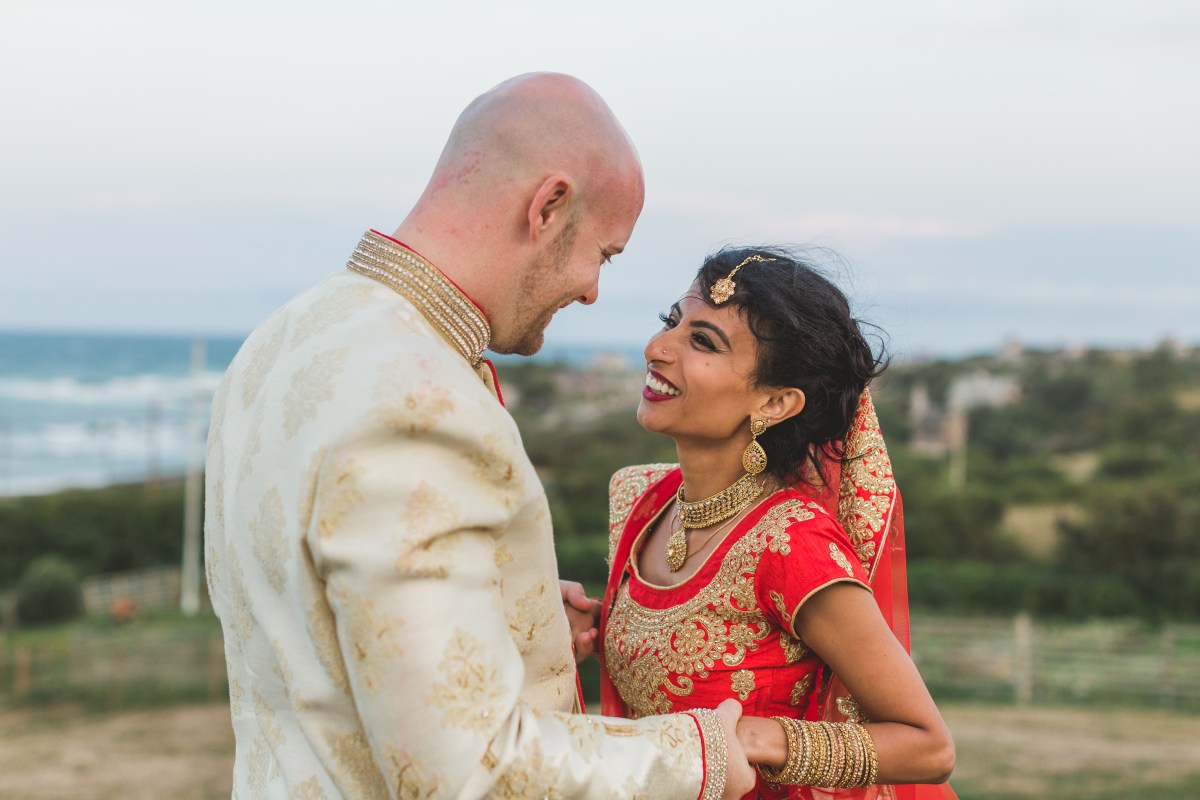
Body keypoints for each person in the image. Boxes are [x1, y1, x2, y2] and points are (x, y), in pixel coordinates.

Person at [204, 73, 756, 799]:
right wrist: (702, 753)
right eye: (605, 254)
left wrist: (502, 614)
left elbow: (316, 621)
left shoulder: (282, 340)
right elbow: (472, 773)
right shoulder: (420, 402)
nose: (593, 289)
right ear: (549, 207)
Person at [595, 246, 958, 799]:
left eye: (702, 341)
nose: (656, 349)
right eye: (672, 322)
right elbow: (692, 652)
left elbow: (929, 746)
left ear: (775, 401)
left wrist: (758, 738)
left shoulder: (791, 544)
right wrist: (586, 625)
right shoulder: (642, 500)